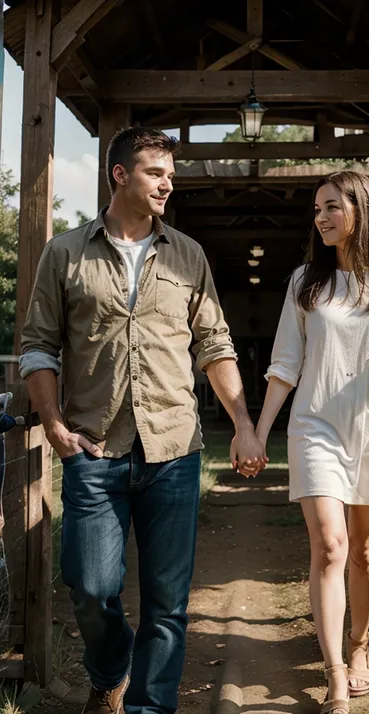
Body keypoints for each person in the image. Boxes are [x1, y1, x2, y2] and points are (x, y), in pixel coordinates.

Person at [20, 128, 265, 714]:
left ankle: (150, 708)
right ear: (120, 175)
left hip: (174, 450)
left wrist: (244, 423)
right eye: (156, 171)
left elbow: (214, 343)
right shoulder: (65, 253)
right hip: (94, 449)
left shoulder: (188, 254)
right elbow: (37, 346)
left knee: (167, 602)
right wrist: (54, 427)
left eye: (170, 173)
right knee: (90, 585)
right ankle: (109, 668)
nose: (168, 182)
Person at [254, 171, 369, 714]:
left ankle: (360, 644)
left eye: (331, 206)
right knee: (330, 546)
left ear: (360, 209)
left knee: (363, 550)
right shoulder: (304, 283)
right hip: (315, 427)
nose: (321, 217)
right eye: (316, 210)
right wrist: (259, 432)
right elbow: (285, 364)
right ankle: (334, 675)